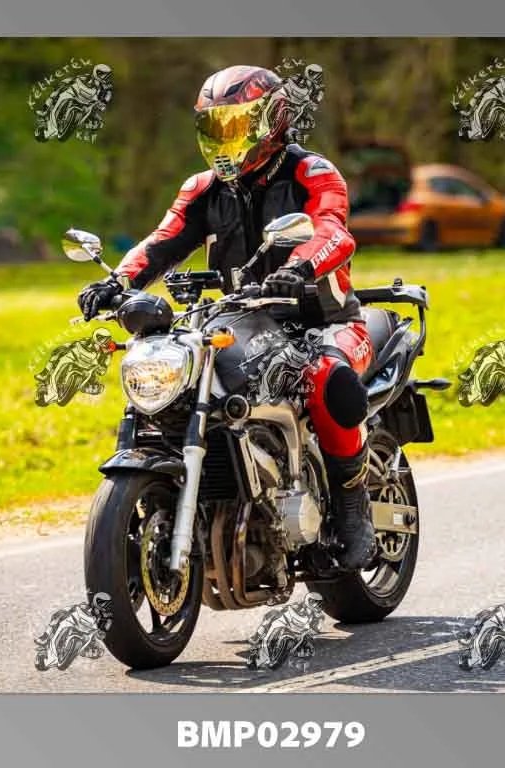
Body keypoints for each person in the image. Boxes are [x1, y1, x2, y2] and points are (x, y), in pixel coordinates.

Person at [76, 65, 377, 570]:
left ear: (272, 120)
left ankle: (352, 505)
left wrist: (298, 268)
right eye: (214, 127)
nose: (224, 139)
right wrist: (118, 282)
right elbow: (162, 242)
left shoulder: (313, 173)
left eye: (235, 125)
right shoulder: (203, 188)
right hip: (242, 323)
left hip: (324, 321)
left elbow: (333, 231)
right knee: (185, 381)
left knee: (328, 377)